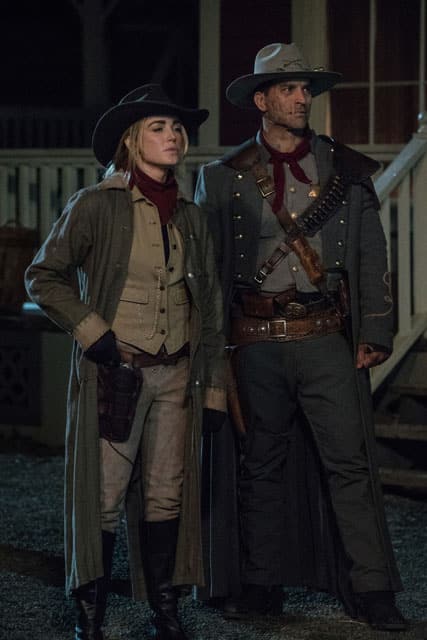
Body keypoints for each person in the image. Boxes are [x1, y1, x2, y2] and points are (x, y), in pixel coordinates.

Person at [195, 42, 407, 631]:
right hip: (255, 340)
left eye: (306, 89)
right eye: (288, 89)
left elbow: (372, 254)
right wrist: (213, 353)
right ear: (261, 100)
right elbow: (209, 270)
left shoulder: (347, 170)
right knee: (260, 463)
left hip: (324, 336)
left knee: (350, 464)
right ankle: (262, 584)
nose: (301, 98)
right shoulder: (222, 178)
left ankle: (372, 589)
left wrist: (376, 329)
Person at [25, 84, 227, 640]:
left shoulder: (190, 215)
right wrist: (94, 333)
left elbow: (210, 307)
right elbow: (44, 276)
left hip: (178, 374)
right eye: (158, 127)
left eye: (177, 128)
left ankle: (166, 611)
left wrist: (214, 387)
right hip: (117, 374)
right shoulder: (97, 205)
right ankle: (89, 616)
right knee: (105, 496)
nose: (173, 136)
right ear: (132, 141)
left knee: (167, 492)